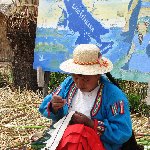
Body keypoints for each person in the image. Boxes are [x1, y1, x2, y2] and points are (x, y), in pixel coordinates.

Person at [38, 44, 133, 150]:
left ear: (98, 74)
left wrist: (91, 124)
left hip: (97, 145)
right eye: (76, 77)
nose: (79, 84)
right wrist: (54, 107)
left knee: (78, 135)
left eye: (86, 79)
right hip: (64, 140)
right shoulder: (68, 84)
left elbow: (123, 131)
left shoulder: (113, 95)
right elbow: (45, 107)